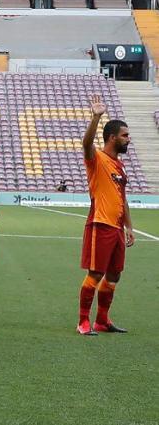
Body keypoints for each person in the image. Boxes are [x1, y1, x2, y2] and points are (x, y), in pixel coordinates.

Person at [77, 94, 136, 336]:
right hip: (100, 224)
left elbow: (123, 198)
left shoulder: (120, 166)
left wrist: (129, 227)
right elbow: (86, 144)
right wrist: (96, 117)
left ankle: (102, 320)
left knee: (114, 275)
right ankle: (83, 321)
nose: (128, 139)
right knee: (95, 273)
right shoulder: (97, 159)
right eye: (125, 135)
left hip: (117, 228)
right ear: (112, 137)